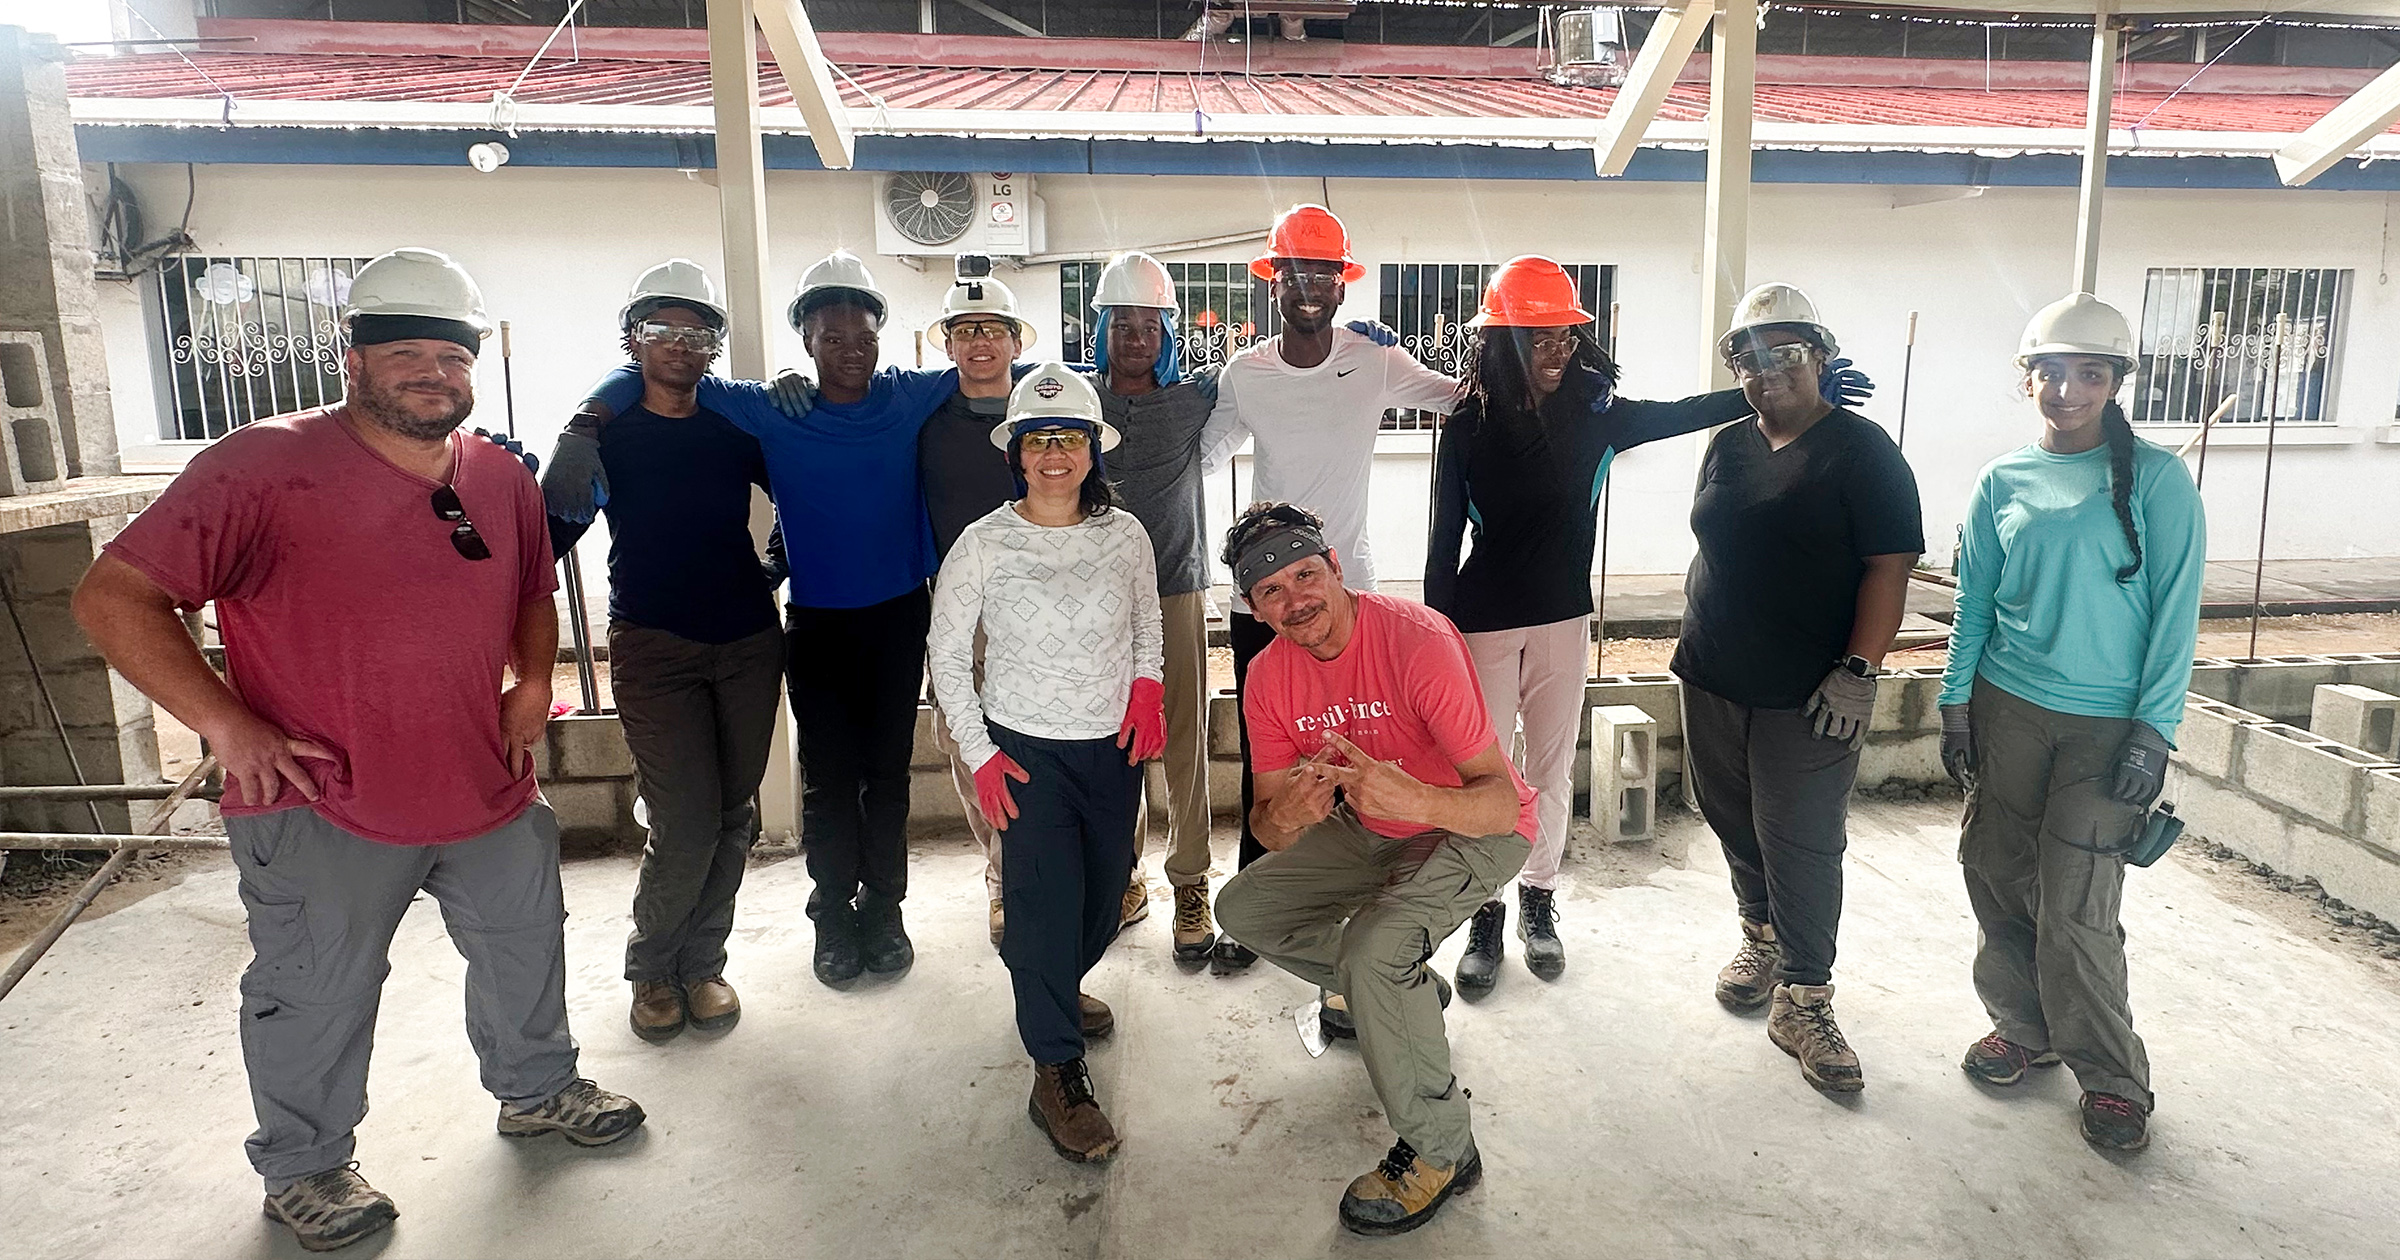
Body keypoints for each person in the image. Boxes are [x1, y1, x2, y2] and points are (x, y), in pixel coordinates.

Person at [72, 247, 644, 1254]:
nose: (433, 373)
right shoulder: (260, 466)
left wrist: (530, 682)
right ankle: (305, 1166)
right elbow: (114, 598)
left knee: (524, 946)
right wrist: (229, 724)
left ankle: (537, 1089)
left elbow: (528, 592)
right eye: (406, 353)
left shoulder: (498, 476)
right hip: (320, 794)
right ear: (354, 359)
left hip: (483, 780)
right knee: (315, 987)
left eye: (452, 356)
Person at [574, 251, 956, 988]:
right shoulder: (772, 409)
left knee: (887, 775)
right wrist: (583, 422)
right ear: (805, 341)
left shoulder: (909, 394)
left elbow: (990, 368)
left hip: (899, 616)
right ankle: (831, 913)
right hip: (817, 623)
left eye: (864, 336)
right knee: (828, 779)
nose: (851, 350)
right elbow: (654, 376)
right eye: (832, 337)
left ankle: (884, 909)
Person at [1426, 256, 1782, 995]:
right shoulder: (1465, 424)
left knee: (1550, 770)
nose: (1556, 352)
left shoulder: (1597, 416)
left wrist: (1771, 386)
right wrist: (1434, 639)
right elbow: (1442, 541)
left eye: (1566, 337)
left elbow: (1683, 412)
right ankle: (1486, 910)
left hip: (1562, 620)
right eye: (1539, 339)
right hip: (1482, 625)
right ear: (1504, 342)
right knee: (1485, 774)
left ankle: (1539, 899)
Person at [1212, 502, 1537, 1238]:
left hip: (1472, 827)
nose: (1295, 600)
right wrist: (1286, 815)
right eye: (1270, 590)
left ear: (1335, 566)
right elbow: (1266, 825)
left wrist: (1417, 797)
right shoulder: (1266, 678)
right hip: (1370, 825)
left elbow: (1498, 802)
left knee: (1372, 953)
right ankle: (1397, 994)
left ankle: (1442, 1150)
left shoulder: (1417, 639)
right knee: (1244, 910)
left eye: (1305, 574)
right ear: (1255, 610)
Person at [1939, 293, 2206, 1154]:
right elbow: (1974, 604)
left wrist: (2154, 732)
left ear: (2116, 382)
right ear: (2028, 378)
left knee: (2077, 905)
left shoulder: (2158, 482)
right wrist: (1954, 704)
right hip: (2007, 707)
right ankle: (2024, 1028)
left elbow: (2176, 617)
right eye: (2051, 372)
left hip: (2106, 728)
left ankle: (2113, 1077)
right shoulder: (2002, 479)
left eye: (2090, 373)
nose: (2067, 390)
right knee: (1995, 870)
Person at [1671, 282, 1923, 1095]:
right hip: (1713, 671)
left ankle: (1806, 998)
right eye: (1747, 357)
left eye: (1786, 352)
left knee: (1804, 840)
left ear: (1820, 357)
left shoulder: (1863, 450)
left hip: (1810, 691)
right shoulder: (1727, 444)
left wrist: (1860, 669)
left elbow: (1890, 568)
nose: (1766, 370)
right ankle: (1762, 938)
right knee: (1733, 817)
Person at [1198, 204, 1458, 973]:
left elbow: (1459, 397)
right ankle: (1257, 906)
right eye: (1295, 273)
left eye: (1324, 273)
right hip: (1265, 603)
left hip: (1351, 599)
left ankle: (1373, 917)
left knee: (1368, 752)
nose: (1309, 286)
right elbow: (1199, 453)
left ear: (1343, 286)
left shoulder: (1373, 361)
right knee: (1270, 762)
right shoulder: (1246, 374)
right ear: (1272, 283)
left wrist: (1560, 383)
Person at [928, 365, 1165, 1164]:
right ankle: (1056, 1071)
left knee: (1106, 892)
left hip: (1110, 748)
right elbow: (946, 656)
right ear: (1016, 454)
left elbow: (1147, 622)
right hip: (1023, 752)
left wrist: (1148, 685)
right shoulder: (982, 543)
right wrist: (980, 752)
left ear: (1093, 449)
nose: (1054, 453)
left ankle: (1052, 988)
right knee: (1040, 902)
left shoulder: (1125, 535)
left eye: (1069, 438)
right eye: (1038, 440)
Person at [541, 260, 781, 1042]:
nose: (679, 344)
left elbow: (806, 485)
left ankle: (703, 965)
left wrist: (780, 561)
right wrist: (549, 469)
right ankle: (652, 969)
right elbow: (546, 542)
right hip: (654, 645)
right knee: (684, 819)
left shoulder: (733, 427)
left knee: (734, 815)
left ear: (714, 345)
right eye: (660, 329)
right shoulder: (610, 433)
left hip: (747, 642)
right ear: (632, 340)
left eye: (697, 331)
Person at [1086, 251, 1224, 964]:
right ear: (1101, 330)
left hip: (1176, 588)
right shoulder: (1077, 400)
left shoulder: (1195, 398)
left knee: (1184, 740)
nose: (1137, 338)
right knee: (1115, 741)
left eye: (1150, 326)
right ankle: (1124, 876)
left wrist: (1364, 339)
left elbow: (1277, 367)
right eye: (1123, 325)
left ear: (1167, 333)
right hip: (1097, 600)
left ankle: (1191, 882)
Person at [916, 261, 1045, 948]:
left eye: (992, 329)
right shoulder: (926, 418)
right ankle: (1003, 877)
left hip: (1047, 604)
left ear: (1016, 341)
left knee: (1061, 734)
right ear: (948, 343)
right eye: (964, 331)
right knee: (969, 742)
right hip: (959, 608)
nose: (979, 343)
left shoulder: (1046, 411)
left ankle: (1098, 871)